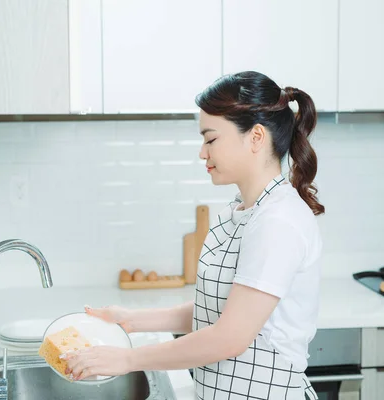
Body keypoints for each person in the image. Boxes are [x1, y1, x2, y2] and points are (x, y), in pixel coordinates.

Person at [65, 71, 324, 400]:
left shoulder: (278, 221)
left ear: (256, 137)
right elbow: (215, 310)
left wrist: (127, 359)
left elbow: (229, 337)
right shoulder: (243, 209)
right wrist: (129, 320)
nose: (202, 152)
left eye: (211, 139)